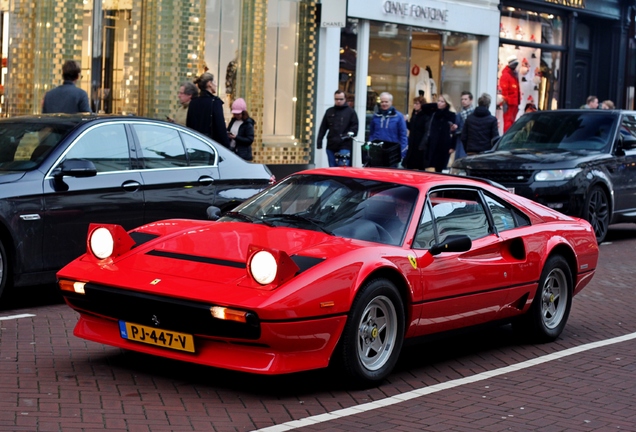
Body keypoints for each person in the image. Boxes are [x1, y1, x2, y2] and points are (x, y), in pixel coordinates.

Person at [316, 90, 359, 167]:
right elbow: (323, 127)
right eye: (336, 99)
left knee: (343, 168)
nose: (338, 101)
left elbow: (355, 127)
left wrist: (348, 134)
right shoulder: (329, 111)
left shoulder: (350, 112)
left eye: (341, 99)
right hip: (331, 144)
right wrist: (319, 142)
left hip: (344, 143)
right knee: (332, 168)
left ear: (345, 99)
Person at [186, 72, 230, 147]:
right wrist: (227, 146)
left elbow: (189, 125)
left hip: (194, 145)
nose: (216, 85)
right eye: (214, 82)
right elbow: (220, 128)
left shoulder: (193, 103)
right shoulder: (215, 102)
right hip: (210, 146)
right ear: (209, 83)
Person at [368, 92, 408, 166]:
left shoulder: (398, 117)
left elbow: (403, 136)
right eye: (382, 102)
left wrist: (402, 153)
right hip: (377, 152)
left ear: (391, 102)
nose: (384, 104)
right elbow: (372, 133)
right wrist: (370, 147)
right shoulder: (376, 116)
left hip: (392, 154)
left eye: (386, 102)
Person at [424, 94, 458, 172]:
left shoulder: (451, 114)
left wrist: (453, 146)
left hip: (445, 144)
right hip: (434, 142)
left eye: (442, 101)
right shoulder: (435, 113)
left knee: (442, 167)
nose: (439, 103)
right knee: (433, 166)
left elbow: (454, 131)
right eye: (438, 101)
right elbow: (424, 107)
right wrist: (436, 104)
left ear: (446, 103)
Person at [403, 96, 431, 170]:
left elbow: (426, 131)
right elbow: (411, 127)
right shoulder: (414, 114)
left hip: (420, 143)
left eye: (417, 104)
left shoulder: (426, 116)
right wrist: (405, 121)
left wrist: (422, 144)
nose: (415, 105)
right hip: (413, 142)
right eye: (414, 104)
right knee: (410, 164)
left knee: (420, 165)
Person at [499, 55, 521, 133]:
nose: (516, 66)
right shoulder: (506, 75)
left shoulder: (513, 75)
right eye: (515, 64)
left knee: (511, 123)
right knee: (508, 123)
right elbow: (504, 91)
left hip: (514, 103)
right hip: (509, 103)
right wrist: (505, 103)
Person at [455, 91, 474, 159]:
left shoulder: (475, 113)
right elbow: (455, 130)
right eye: (462, 99)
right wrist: (454, 129)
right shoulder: (458, 114)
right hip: (461, 142)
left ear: (471, 100)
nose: (463, 101)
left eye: (465, 99)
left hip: (472, 142)